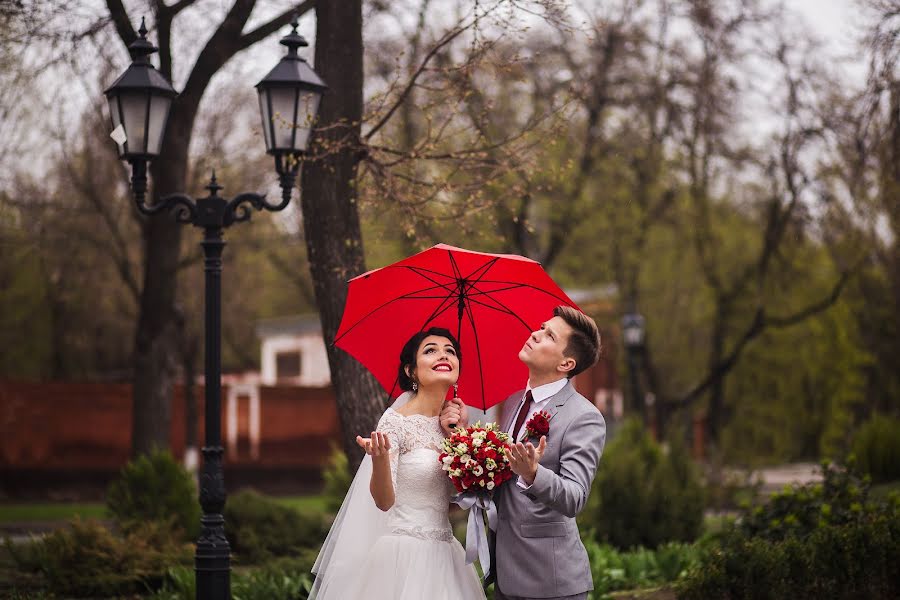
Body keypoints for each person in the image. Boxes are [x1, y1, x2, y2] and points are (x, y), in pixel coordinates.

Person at [441, 305, 606, 600]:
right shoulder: (516, 401)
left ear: (566, 363)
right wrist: (462, 437)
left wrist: (533, 474)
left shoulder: (584, 417)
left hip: (549, 581)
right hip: (505, 576)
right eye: (541, 327)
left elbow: (575, 498)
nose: (535, 334)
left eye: (549, 336)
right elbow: (500, 475)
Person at [310, 327, 486, 600]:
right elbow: (383, 502)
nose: (443, 354)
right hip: (404, 555)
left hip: (446, 553)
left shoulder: (456, 426)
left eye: (450, 351)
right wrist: (379, 459)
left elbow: (460, 497)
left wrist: (458, 435)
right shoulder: (395, 422)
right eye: (431, 350)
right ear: (411, 371)